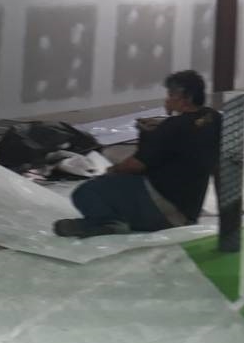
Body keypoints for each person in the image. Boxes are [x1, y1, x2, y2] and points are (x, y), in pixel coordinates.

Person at [53, 70, 219, 238]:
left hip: (164, 211)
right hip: (189, 211)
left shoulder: (172, 128)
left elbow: (135, 165)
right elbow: (190, 128)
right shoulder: (212, 117)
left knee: (86, 192)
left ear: (186, 98)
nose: (167, 99)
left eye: (171, 95)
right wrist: (162, 126)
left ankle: (108, 223)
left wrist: (112, 170)